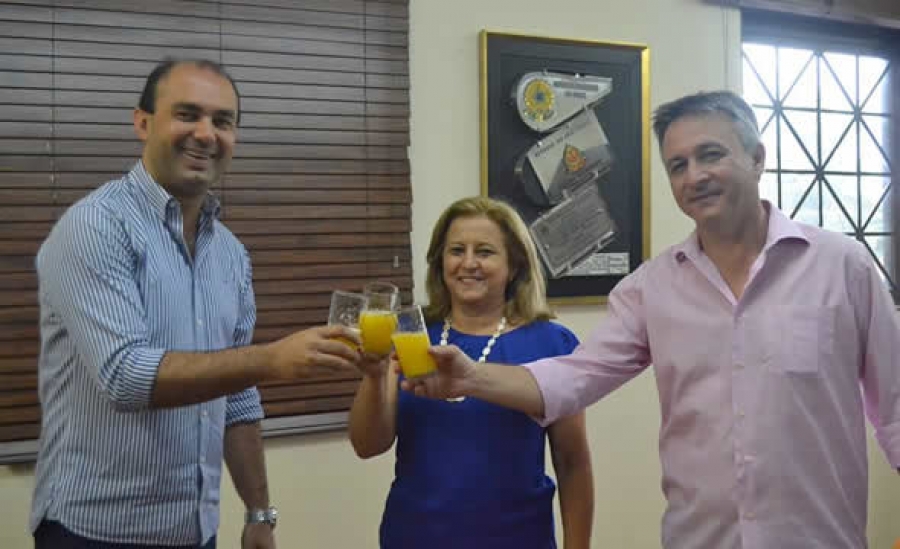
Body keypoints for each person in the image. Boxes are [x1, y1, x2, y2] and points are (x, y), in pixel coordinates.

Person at [405, 91, 900, 548]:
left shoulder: (843, 267)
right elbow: (575, 377)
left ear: (756, 157)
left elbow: (896, 411)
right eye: (677, 165)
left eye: (711, 154)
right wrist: (471, 377)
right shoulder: (651, 288)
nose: (694, 177)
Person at [29, 58, 361, 549]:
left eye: (223, 121)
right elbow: (125, 375)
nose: (206, 134)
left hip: (195, 531)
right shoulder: (95, 226)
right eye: (187, 114)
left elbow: (237, 396)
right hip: (93, 531)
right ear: (143, 123)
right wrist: (271, 359)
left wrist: (258, 512)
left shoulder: (229, 253)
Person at [348, 197, 594, 548]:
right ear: (440, 261)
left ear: (514, 265)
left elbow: (571, 462)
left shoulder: (552, 343)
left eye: (485, 252)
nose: (468, 263)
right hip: (413, 537)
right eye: (456, 250)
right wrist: (374, 376)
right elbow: (367, 445)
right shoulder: (409, 333)